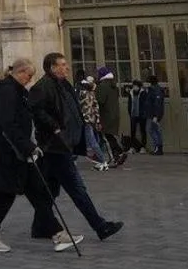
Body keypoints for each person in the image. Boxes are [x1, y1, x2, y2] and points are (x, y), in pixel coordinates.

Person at [0, 58, 79, 254]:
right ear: (19, 72)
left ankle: (58, 233)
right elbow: (8, 124)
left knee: (38, 194)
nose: (30, 79)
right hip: (9, 153)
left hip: (20, 153)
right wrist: (28, 147)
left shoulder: (18, 91)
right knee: (4, 194)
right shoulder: (8, 91)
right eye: (28, 75)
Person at [29, 52, 124, 243]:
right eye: (62, 64)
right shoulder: (43, 86)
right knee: (77, 189)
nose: (66, 67)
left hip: (64, 144)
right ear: (52, 67)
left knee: (49, 191)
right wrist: (55, 128)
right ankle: (100, 226)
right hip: (55, 146)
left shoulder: (63, 84)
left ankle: (40, 226)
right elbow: (36, 110)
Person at [95, 66, 127, 166]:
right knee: (111, 136)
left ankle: (114, 157)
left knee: (106, 137)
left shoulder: (102, 86)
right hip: (114, 114)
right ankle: (118, 153)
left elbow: (100, 101)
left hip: (105, 115)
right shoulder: (113, 86)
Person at [144, 75, 166, 155]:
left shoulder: (155, 90)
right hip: (152, 114)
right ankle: (158, 148)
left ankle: (158, 147)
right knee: (155, 130)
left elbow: (157, 104)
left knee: (152, 130)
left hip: (153, 114)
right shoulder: (154, 90)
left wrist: (156, 116)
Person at [127, 79, 147, 154]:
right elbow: (129, 103)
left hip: (141, 114)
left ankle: (143, 147)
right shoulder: (131, 93)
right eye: (134, 86)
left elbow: (145, 104)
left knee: (143, 131)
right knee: (132, 131)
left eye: (136, 86)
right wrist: (130, 112)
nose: (135, 87)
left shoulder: (143, 93)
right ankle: (132, 147)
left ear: (139, 87)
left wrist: (144, 113)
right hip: (133, 114)